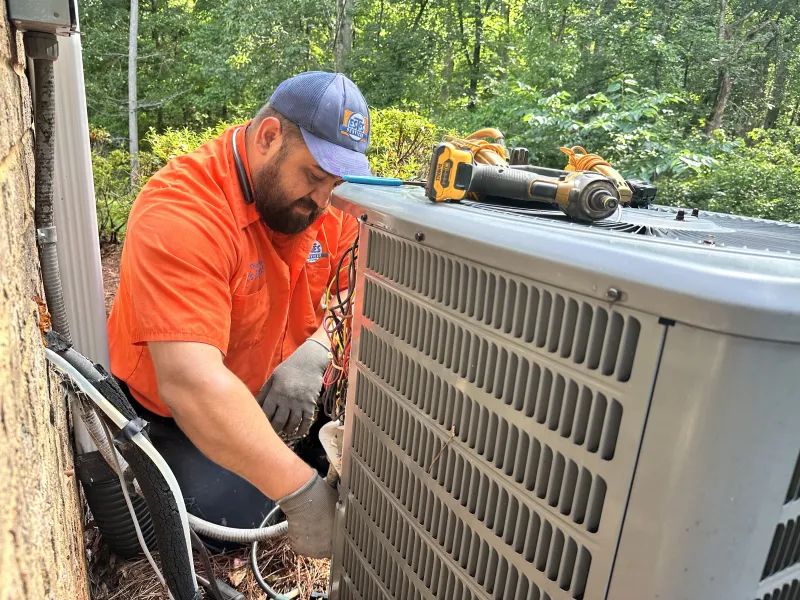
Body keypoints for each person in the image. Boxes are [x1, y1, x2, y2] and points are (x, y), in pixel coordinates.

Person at [106, 71, 372, 558]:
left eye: (336, 183)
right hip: (175, 412)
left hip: (273, 384)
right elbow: (192, 384)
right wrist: (300, 493)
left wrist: (316, 348)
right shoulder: (183, 211)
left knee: (348, 478)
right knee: (232, 526)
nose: (323, 201)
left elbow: (353, 293)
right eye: (314, 176)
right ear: (269, 136)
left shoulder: (329, 207)